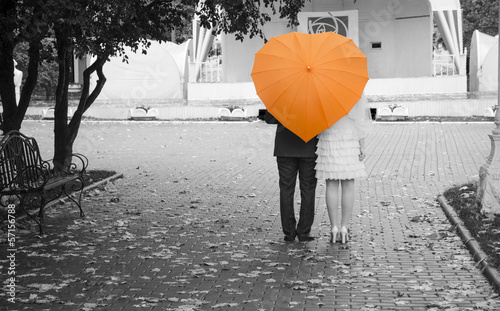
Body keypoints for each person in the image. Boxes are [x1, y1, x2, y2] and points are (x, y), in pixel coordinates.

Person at [315, 95, 371, 244]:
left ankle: (334, 228)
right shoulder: (354, 89)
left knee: (331, 184)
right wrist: (362, 145)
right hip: (350, 137)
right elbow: (360, 120)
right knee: (348, 185)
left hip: (329, 136)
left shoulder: (323, 87)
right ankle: (344, 228)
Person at [265, 111, 319, 242]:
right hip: (309, 148)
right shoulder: (315, 98)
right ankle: (304, 232)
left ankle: (288, 232)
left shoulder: (281, 96)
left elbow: (269, 119)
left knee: (286, 189)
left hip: (285, 148)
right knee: (308, 190)